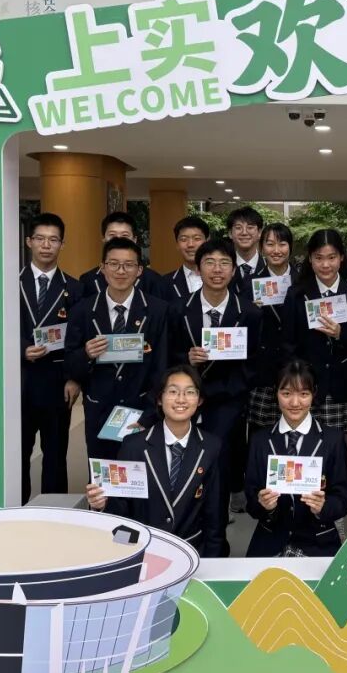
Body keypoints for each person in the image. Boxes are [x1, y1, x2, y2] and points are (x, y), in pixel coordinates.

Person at [162, 238, 262, 545]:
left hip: (226, 402)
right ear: (198, 267)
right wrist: (186, 360)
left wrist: (215, 391)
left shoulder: (248, 312)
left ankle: (216, 540)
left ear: (233, 270)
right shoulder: (177, 309)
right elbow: (166, 357)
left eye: (224, 263)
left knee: (217, 467)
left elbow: (253, 366)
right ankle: (180, 529)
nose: (217, 270)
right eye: (210, 263)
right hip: (183, 400)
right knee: (180, 463)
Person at [85, 366, 224, 558]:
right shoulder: (133, 445)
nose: (181, 399)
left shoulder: (211, 446)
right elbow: (121, 507)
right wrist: (101, 505)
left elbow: (214, 512)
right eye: (173, 391)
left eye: (190, 392)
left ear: (199, 400)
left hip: (191, 551)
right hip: (144, 548)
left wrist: (212, 559)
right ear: (159, 398)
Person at [64, 237, 169, 461]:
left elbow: (162, 366)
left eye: (128, 265)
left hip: (142, 408)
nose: (121, 271)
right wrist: (86, 354)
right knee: (104, 475)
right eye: (113, 264)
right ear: (102, 268)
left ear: (139, 270)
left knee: (142, 473)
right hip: (99, 410)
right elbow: (70, 364)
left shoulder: (158, 311)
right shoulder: (83, 311)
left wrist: (151, 412)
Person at [244, 359, 347, 557]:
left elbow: (343, 499)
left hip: (319, 541)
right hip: (271, 539)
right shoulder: (260, 440)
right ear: (276, 393)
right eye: (286, 394)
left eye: (303, 394)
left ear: (314, 393)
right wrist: (264, 506)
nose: (295, 403)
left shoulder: (332, 439)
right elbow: (251, 500)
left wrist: (323, 506)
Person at [19, 212, 82, 504]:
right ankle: (16, 509)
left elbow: (79, 338)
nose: (46, 245)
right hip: (19, 380)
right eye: (40, 239)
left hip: (57, 382)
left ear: (62, 244)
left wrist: (74, 377)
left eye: (53, 240)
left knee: (56, 453)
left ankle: (54, 511)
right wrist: (21, 348)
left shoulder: (74, 288)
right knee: (17, 451)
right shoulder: (8, 283)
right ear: (29, 241)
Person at [283, 229, 347, 445]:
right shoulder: (297, 294)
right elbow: (289, 342)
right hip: (309, 384)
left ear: (341, 257)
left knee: (346, 449)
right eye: (319, 258)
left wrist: (341, 334)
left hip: (345, 384)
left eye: (331, 257)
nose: (325, 264)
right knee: (310, 446)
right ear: (310, 259)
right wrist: (299, 377)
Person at [248, 222, 300, 430]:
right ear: (261, 248)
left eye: (282, 244)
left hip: (297, 368)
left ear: (290, 247)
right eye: (270, 244)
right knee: (262, 433)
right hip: (263, 370)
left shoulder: (303, 282)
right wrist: (252, 312)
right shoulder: (249, 284)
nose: (276, 250)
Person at [78, 211, 163, 300]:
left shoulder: (153, 280)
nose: (118, 240)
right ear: (103, 239)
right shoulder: (87, 280)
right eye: (112, 235)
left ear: (134, 240)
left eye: (125, 235)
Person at [161, 215, 209, 300]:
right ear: (177, 244)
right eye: (183, 239)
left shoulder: (223, 278)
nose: (190, 244)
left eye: (197, 238)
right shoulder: (164, 283)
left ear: (207, 241)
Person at [227, 206, 266, 299]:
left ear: (259, 233)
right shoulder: (222, 269)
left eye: (250, 227)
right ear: (230, 233)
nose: (244, 232)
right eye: (238, 227)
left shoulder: (270, 267)